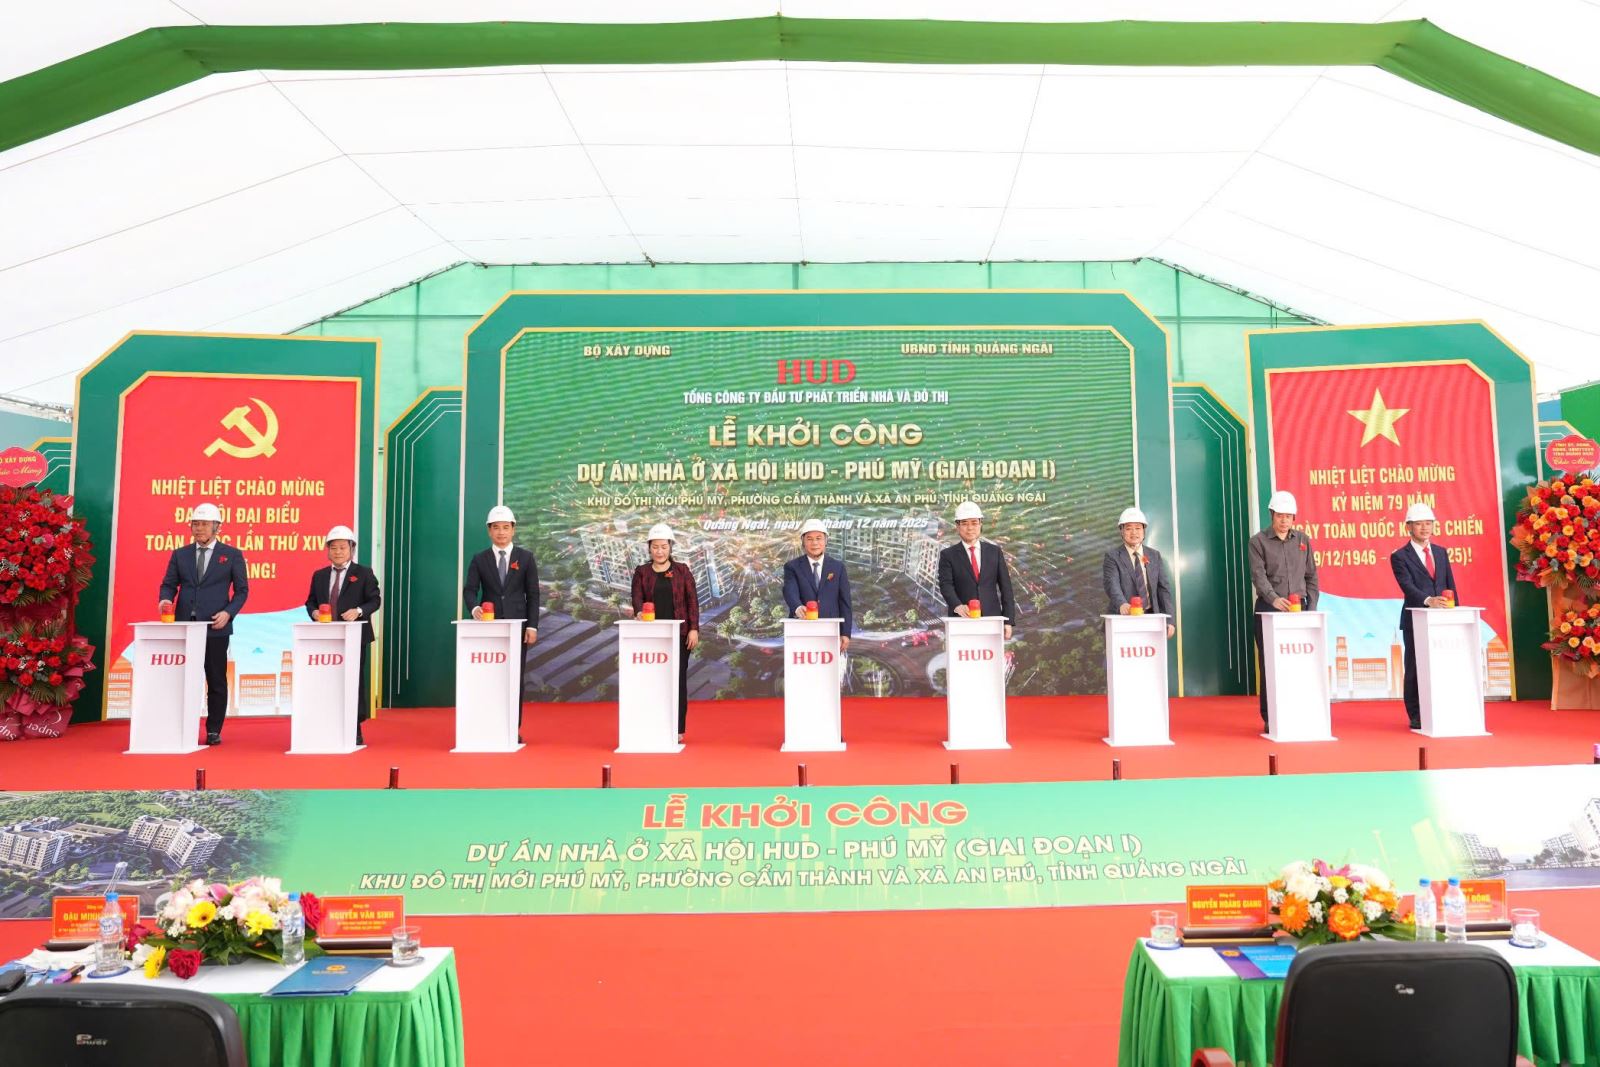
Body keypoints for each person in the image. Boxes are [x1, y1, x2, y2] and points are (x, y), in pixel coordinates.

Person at [158, 502, 249, 746]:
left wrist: (228, 613)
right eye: (195, 524)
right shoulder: (180, 554)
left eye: (204, 524)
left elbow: (242, 591)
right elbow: (169, 584)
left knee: (216, 680)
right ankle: (181, 726)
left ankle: (213, 730)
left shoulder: (232, 555)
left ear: (216, 527)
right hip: (185, 628)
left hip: (215, 628)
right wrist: (165, 599)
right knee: (184, 679)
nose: (199, 528)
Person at [462, 505, 539, 740]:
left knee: (514, 678)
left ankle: (512, 728)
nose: (501, 532)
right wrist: (474, 608)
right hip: (489, 627)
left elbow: (533, 594)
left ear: (513, 530)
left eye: (506, 527)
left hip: (518, 627)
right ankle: (488, 725)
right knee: (489, 676)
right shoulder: (479, 559)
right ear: (489, 531)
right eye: (496, 528)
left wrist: (532, 626)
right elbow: (470, 589)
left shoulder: (525, 558)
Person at [304, 525, 381, 745]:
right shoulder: (319, 575)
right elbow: (310, 601)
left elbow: (375, 600)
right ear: (327, 550)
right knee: (327, 681)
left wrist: (358, 611)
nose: (337, 552)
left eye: (342, 547)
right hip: (327, 638)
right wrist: (314, 612)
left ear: (352, 549)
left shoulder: (363, 573)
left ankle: (354, 728)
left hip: (355, 636)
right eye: (333, 548)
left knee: (353, 682)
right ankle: (326, 725)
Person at [1248, 490, 1319, 727]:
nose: (1284, 520)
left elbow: (1312, 576)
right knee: (1270, 664)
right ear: (1272, 515)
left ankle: (1298, 713)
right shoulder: (1258, 542)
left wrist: (1311, 608)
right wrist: (1274, 598)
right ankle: (1271, 717)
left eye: (1288, 516)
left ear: (1294, 518)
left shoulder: (1303, 540)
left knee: (1299, 663)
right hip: (1269, 610)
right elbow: (1258, 576)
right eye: (1280, 515)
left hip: (1300, 612)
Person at [626, 524, 700, 742]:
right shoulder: (642, 572)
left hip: (679, 635)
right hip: (652, 636)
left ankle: (677, 728)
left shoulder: (682, 570)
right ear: (649, 548)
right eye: (655, 547)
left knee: (677, 680)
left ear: (670, 547)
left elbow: (692, 601)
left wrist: (693, 629)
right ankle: (652, 723)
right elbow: (636, 597)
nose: (659, 551)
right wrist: (639, 612)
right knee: (653, 680)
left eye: (664, 547)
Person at [1390, 502, 1458, 730]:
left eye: (1428, 523)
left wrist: (1455, 610)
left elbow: (1449, 584)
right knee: (1415, 667)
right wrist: (1428, 601)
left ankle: (1442, 709)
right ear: (1409, 527)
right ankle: (1416, 714)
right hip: (1415, 620)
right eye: (1419, 524)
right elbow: (1407, 586)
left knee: (1442, 665)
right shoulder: (1400, 556)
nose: (1425, 528)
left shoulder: (1440, 552)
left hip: (1442, 620)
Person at [937, 501, 1016, 640]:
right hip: (961, 621)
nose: (970, 528)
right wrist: (957, 606)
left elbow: (1006, 588)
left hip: (992, 621)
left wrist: (1008, 620)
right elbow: (946, 585)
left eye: (974, 523)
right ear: (957, 526)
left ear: (980, 524)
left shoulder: (994, 552)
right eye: (964, 523)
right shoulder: (948, 555)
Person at [1101, 506, 1175, 637]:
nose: (1134, 532)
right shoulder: (1112, 556)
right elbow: (1112, 584)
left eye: (1138, 528)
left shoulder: (1154, 556)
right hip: (1122, 620)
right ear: (1121, 531)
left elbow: (1163, 589)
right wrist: (1122, 603)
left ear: (1144, 531)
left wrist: (1169, 620)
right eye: (1128, 528)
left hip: (1152, 620)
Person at [781, 519, 853, 651]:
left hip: (831, 631)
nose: (814, 543)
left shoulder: (838, 567)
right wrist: (797, 607)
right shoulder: (792, 567)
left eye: (819, 538)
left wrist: (845, 633)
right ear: (803, 542)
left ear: (826, 541)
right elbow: (790, 590)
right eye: (809, 539)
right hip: (801, 631)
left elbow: (845, 601)